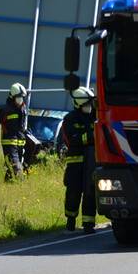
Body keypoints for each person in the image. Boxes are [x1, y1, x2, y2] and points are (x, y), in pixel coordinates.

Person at [60, 86, 97, 233]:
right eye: (86, 105)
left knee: (90, 192)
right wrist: (89, 137)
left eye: (90, 104)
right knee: (73, 192)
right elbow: (70, 139)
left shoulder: (95, 116)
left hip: (91, 162)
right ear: (78, 104)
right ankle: (70, 220)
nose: (89, 107)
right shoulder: (70, 119)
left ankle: (88, 224)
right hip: (75, 163)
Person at [0, 83, 29, 181]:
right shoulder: (5, 110)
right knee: (16, 168)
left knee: (12, 171)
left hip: (20, 144)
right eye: (18, 98)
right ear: (12, 97)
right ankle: (20, 187)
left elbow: (21, 127)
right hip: (9, 144)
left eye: (22, 98)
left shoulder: (22, 109)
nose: (20, 101)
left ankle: (7, 187)